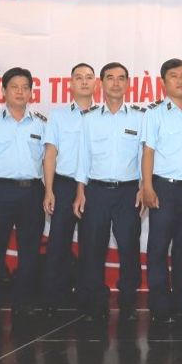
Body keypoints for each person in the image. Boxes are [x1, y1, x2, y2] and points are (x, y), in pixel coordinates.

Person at [0, 67, 47, 321]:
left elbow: (48, 161)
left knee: (30, 251)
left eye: (25, 87)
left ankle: (23, 302)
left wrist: (49, 192)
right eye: (14, 87)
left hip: (32, 192)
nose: (20, 92)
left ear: (31, 92)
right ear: (4, 91)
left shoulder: (41, 124)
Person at [72, 62, 146, 322]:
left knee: (129, 249)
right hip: (96, 191)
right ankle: (96, 303)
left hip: (129, 193)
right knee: (92, 249)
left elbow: (144, 156)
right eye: (110, 78)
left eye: (121, 78)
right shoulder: (89, 118)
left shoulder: (140, 117)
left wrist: (143, 187)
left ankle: (128, 303)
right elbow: (83, 157)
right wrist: (80, 191)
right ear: (101, 83)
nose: (116, 83)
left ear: (128, 84)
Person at [141, 58, 182, 324]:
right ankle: (159, 305)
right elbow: (148, 152)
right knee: (158, 248)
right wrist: (147, 186)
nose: (180, 80)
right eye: (174, 76)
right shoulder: (154, 113)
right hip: (164, 189)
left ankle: (181, 302)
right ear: (163, 82)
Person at [41, 63, 96, 316]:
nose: (84, 82)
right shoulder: (58, 115)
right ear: (70, 84)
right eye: (79, 77)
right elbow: (50, 154)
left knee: (91, 244)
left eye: (89, 77)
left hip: (94, 187)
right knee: (58, 243)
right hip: (63, 185)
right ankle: (52, 298)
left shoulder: (103, 115)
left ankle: (87, 297)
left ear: (95, 83)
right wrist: (49, 189)